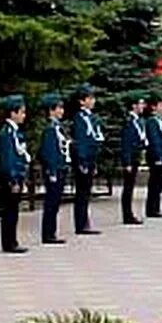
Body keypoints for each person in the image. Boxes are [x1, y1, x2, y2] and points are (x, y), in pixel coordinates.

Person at [0, 94, 31, 253]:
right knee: (9, 211)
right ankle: (9, 242)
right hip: (11, 177)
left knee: (13, 210)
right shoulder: (7, 133)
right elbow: (8, 158)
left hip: (17, 175)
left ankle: (12, 240)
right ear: (13, 113)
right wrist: (13, 179)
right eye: (21, 112)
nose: (24, 116)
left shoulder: (15, 132)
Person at [69, 85, 104, 235]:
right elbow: (81, 141)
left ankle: (85, 221)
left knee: (86, 192)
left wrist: (93, 161)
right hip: (83, 160)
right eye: (89, 98)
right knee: (82, 192)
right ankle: (81, 223)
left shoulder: (91, 118)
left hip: (90, 158)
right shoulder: (79, 118)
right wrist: (82, 161)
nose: (92, 101)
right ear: (82, 101)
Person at [39, 94, 70, 244]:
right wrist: (51, 170)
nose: (61, 111)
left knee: (55, 202)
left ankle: (51, 232)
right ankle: (48, 233)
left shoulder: (57, 127)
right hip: (54, 169)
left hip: (60, 167)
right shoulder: (50, 129)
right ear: (51, 111)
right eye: (59, 108)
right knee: (51, 202)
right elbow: (49, 152)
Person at [120, 94, 149, 224]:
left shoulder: (138, 121)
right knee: (128, 187)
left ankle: (129, 213)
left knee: (131, 187)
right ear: (134, 106)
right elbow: (126, 143)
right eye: (140, 103)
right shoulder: (129, 121)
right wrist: (127, 161)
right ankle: (127, 214)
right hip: (131, 158)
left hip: (136, 156)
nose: (143, 106)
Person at [145, 94, 162, 219]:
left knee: (161, 182)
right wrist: (158, 157)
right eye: (161, 105)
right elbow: (154, 140)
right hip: (157, 157)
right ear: (154, 107)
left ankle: (155, 207)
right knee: (155, 182)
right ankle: (152, 208)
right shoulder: (152, 122)